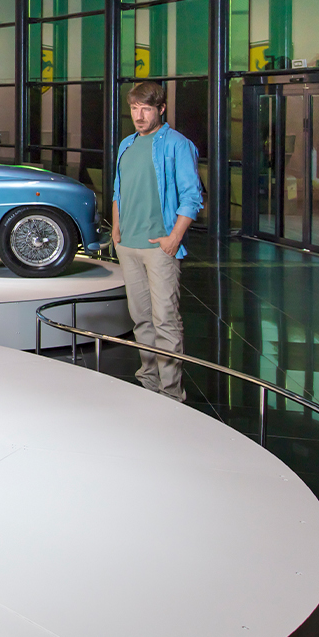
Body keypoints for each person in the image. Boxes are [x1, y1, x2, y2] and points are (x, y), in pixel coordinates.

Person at [112, 81, 203, 402]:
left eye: (146, 108)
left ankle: (171, 394)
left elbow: (192, 197)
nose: (139, 115)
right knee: (141, 320)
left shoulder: (177, 145)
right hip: (128, 245)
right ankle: (149, 383)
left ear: (161, 109)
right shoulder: (126, 144)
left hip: (159, 247)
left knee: (165, 320)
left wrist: (173, 239)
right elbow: (118, 191)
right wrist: (117, 231)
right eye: (135, 108)